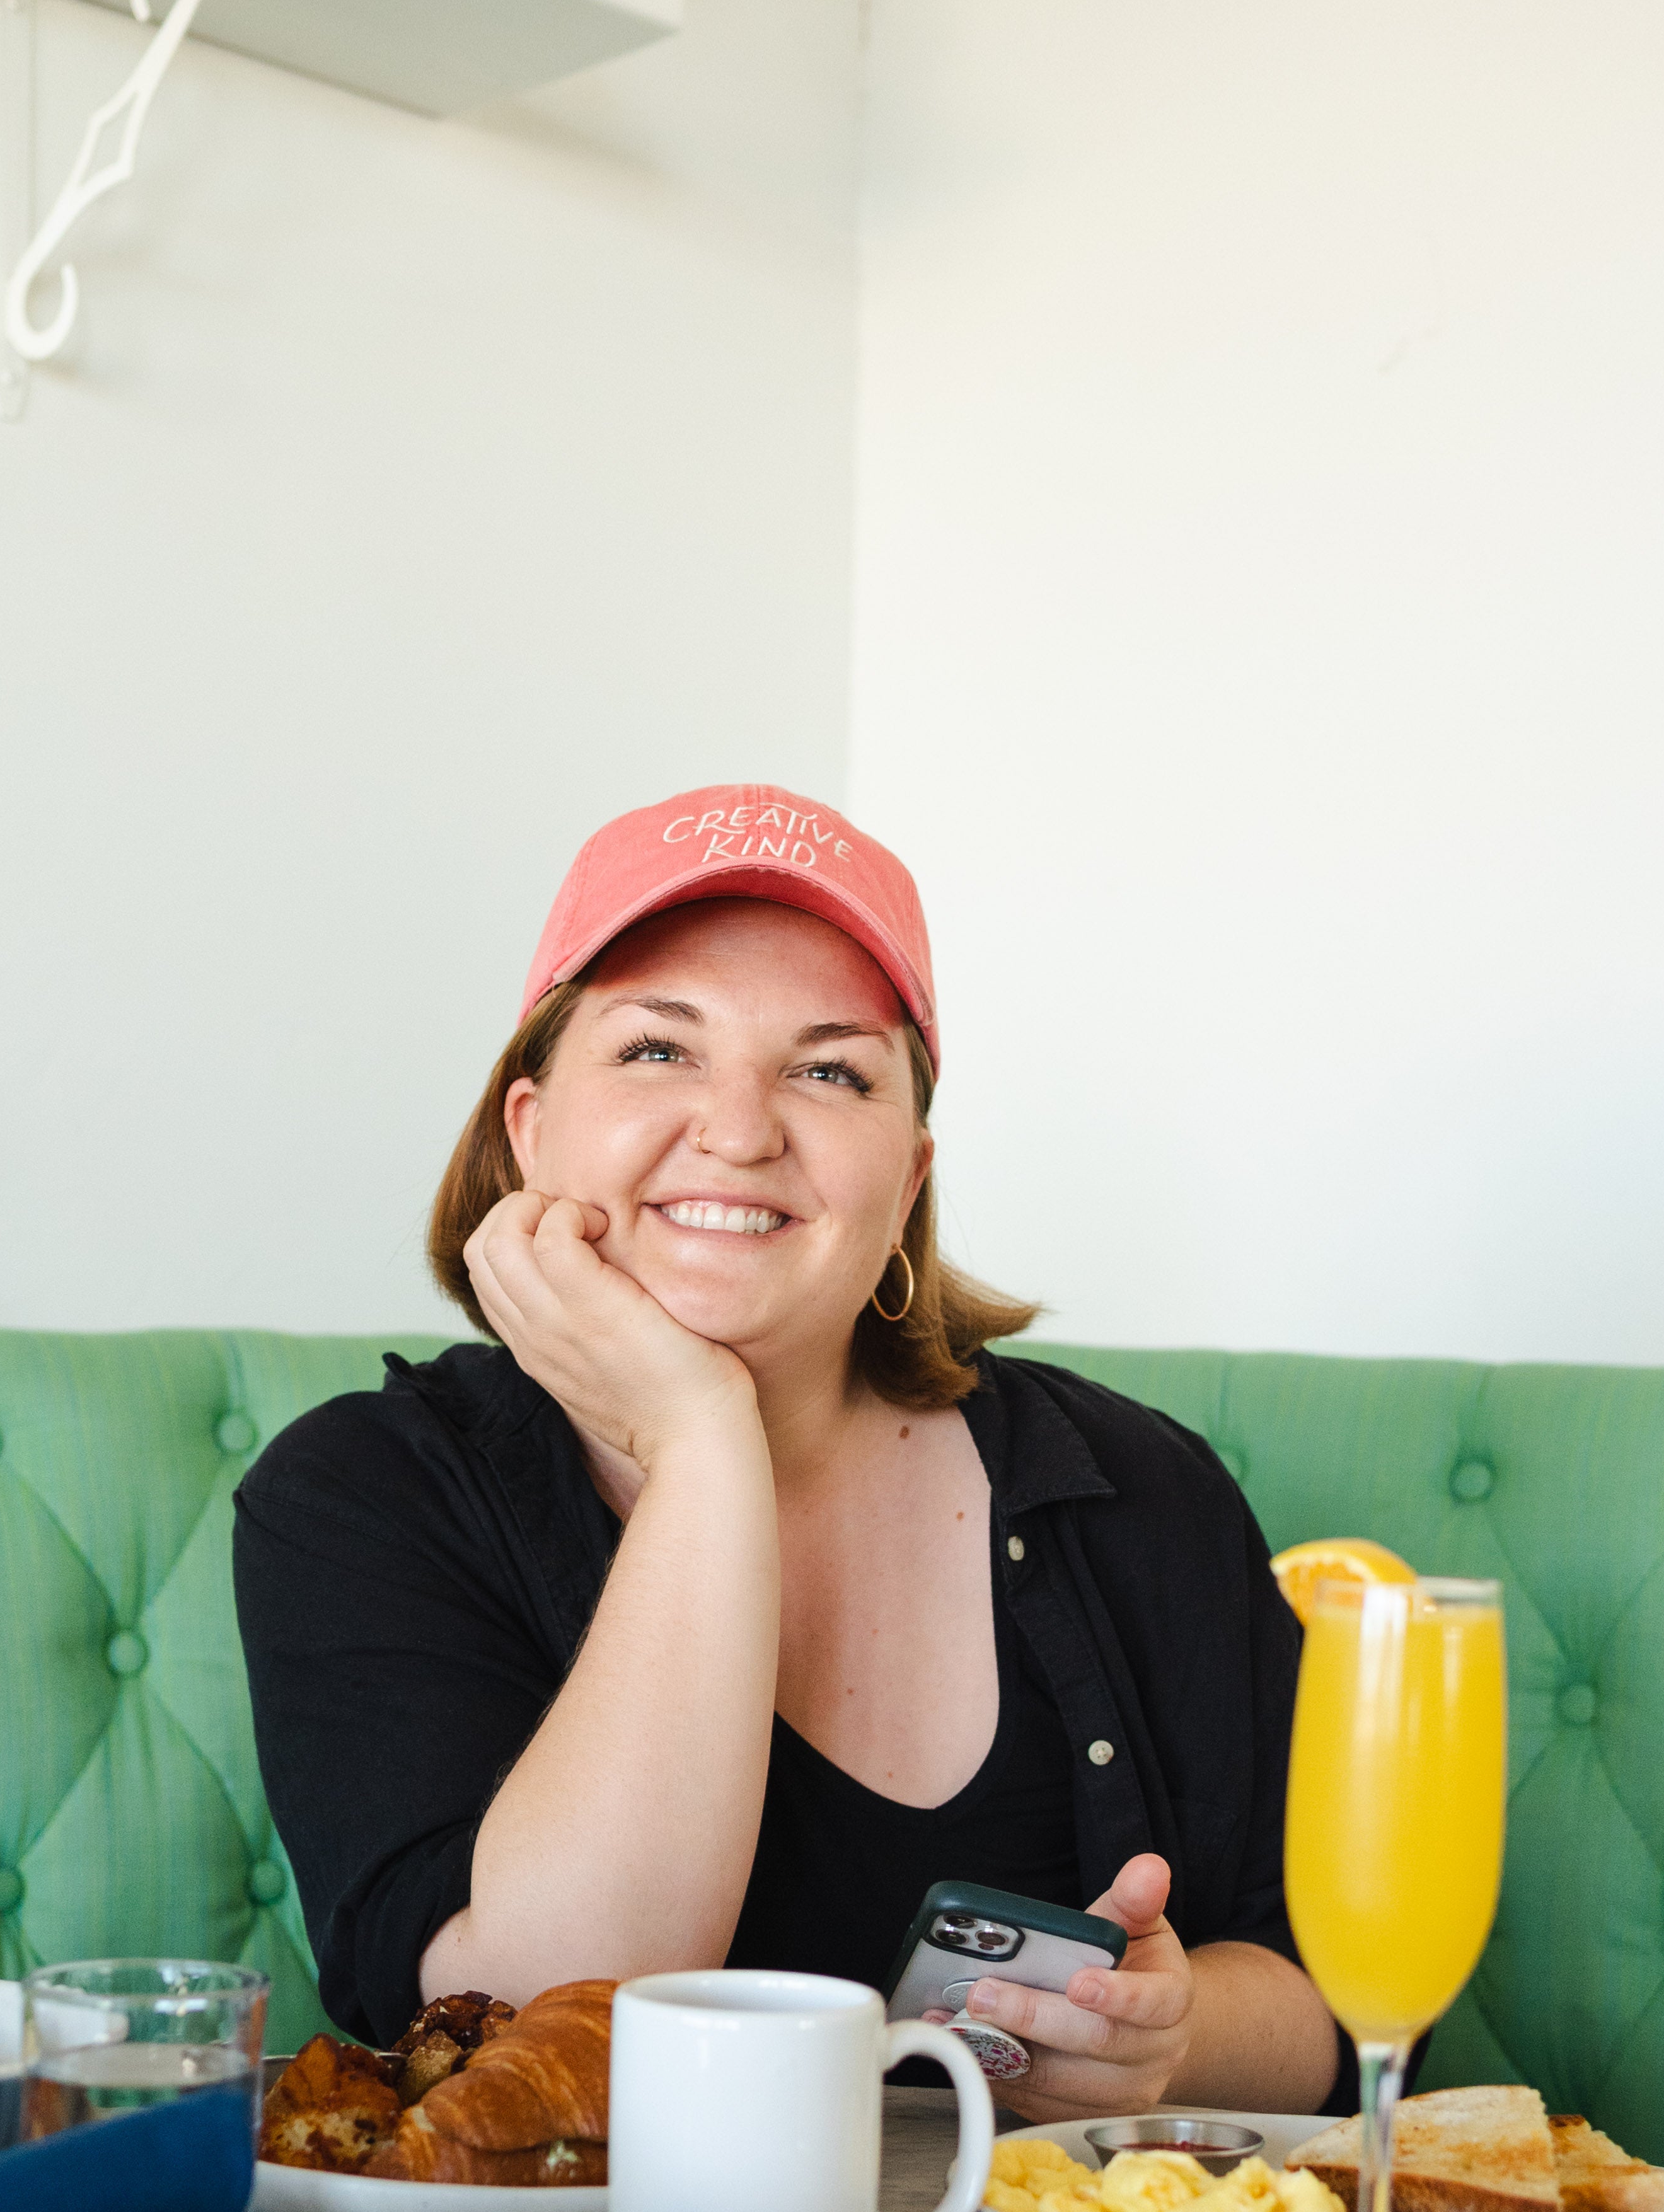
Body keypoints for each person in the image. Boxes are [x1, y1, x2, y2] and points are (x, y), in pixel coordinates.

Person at [234, 783, 1348, 2124]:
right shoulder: (362, 1493)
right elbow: (535, 2047)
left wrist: (1165, 2041)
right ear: (530, 1128)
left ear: (908, 1179)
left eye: (828, 1070)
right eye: (657, 1049)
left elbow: (1329, 2014)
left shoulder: (1136, 1491)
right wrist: (704, 1444)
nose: (741, 1128)